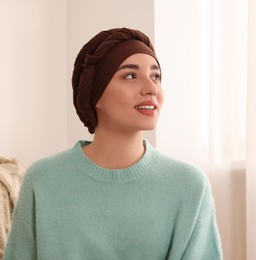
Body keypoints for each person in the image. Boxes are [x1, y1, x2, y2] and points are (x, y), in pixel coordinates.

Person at [4, 28, 222, 259]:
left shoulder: (189, 186)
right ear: (95, 92)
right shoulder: (44, 179)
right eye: (130, 76)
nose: (152, 89)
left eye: (156, 76)